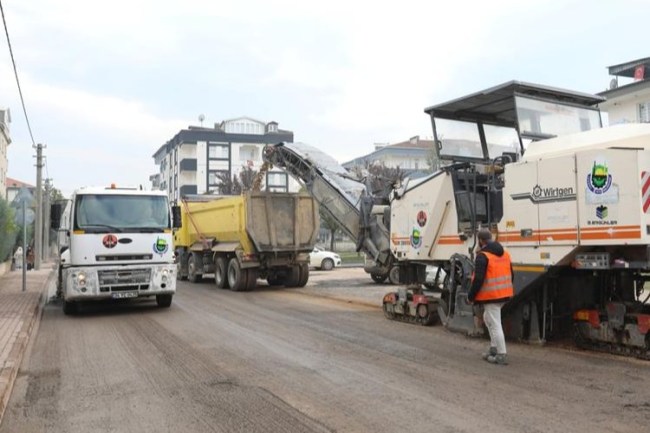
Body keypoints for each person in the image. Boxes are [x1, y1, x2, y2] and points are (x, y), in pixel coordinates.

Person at [467, 229, 514, 365]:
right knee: (488, 318)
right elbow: (512, 274)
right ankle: (494, 349)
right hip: (504, 294)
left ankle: (501, 354)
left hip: (492, 296)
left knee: (495, 323)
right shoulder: (505, 254)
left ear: (481, 241)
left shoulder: (483, 256)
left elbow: (478, 279)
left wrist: (471, 297)